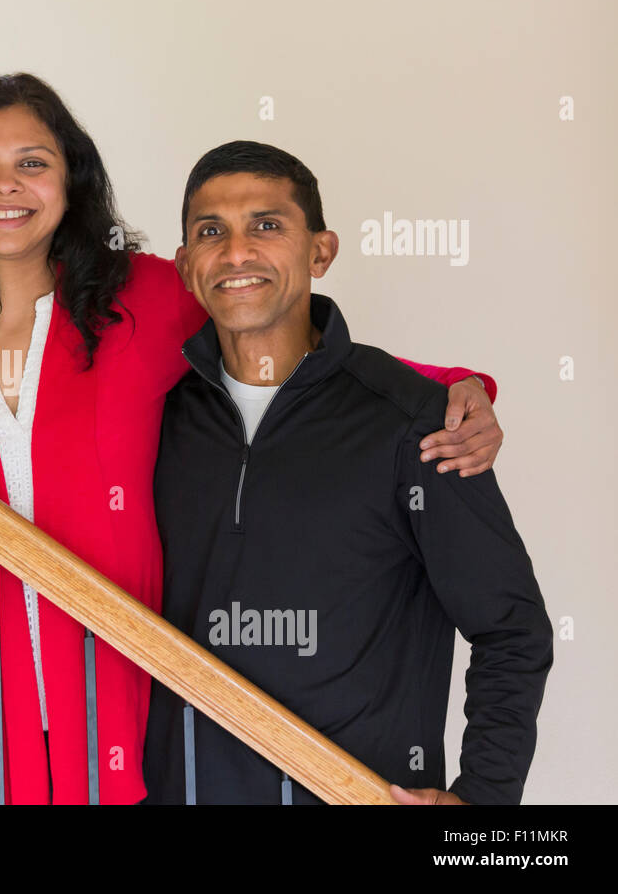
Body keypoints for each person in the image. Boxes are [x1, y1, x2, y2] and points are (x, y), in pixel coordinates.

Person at [0, 74, 506, 804]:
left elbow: (290, 343)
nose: (7, 185)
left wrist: (456, 384)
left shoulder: (142, 298)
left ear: (71, 181)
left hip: (126, 687)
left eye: (33, 162)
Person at [144, 141, 551, 804]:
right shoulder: (159, 417)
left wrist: (482, 798)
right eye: (211, 232)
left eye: (267, 226)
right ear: (187, 265)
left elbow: (510, 627)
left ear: (321, 251)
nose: (237, 253)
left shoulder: (414, 422)